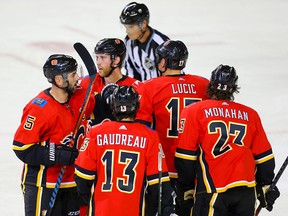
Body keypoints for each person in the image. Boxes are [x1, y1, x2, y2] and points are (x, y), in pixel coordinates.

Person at [174, 64, 280, 216]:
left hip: (212, 190)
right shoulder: (251, 114)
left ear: (211, 84)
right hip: (246, 190)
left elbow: (185, 156)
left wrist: (186, 187)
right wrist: (266, 185)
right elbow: (264, 158)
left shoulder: (194, 111)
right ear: (233, 88)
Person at [12, 54, 96, 216]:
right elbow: (22, 148)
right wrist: (55, 155)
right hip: (44, 185)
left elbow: (95, 101)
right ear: (59, 80)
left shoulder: (81, 96)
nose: (78, 78)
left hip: (74, 183)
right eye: (73, 75)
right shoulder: (39, 108)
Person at [74, 86, 175, 216]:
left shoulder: (96, 132)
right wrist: (165, 209)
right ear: (136, 106)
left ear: (113, 106)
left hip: (101, 211)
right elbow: (158, 183)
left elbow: (82, 178)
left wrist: (90, 199)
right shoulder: (149, 136)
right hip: (134, 211)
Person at [135, 39, 209, 214]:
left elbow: (140, 129)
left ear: (163, 62)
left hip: (163, 167)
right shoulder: (203, 84)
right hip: (195, 166)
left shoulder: (149, 87)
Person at [91, 38, 140, 125]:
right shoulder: (88, 83)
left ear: (116, 60)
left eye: (103, 57)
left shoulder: (136, 88)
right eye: (97, 57)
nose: (98, 62)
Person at [120, 2, 170, 81]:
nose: (127, 31)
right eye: (125, 27)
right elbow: (131, 74)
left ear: (143, 23)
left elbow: (174, 76)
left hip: (162, 91)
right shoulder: (128, 42)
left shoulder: (162, 43)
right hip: (143, 91)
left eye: (131, 27)